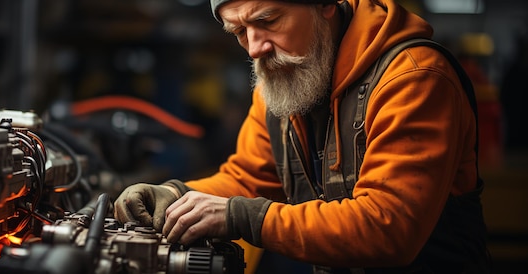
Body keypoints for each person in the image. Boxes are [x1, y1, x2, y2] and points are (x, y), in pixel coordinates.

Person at [113, 0, 491, 272]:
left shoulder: (413, 78)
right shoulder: (282, 82)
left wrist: (243, 216)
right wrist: (175, 194)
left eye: (269, 20)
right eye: (240, 31)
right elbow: (249, 179)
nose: (256, 48)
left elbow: (387, 227)